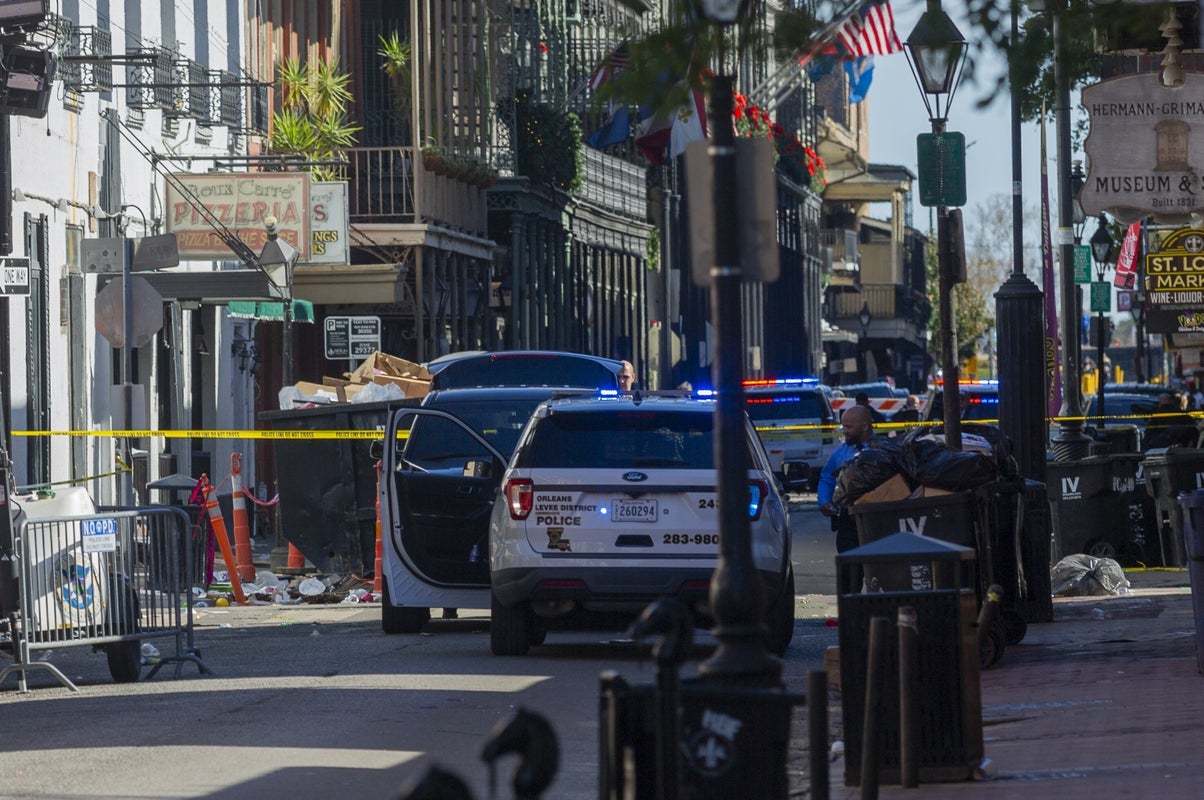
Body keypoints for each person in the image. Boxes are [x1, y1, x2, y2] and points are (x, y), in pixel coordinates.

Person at [818, 404, 875, 595]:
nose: (845, 431)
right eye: (843, 426)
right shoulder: (840, 452)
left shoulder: (883, 449)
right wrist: (824, 502)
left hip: (877, 518)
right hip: (848, 519)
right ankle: (850, 607)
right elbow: (827, 477)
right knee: (849, 572)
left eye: (849, 427)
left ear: (864, 427)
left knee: (880, 570)